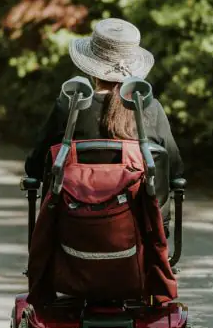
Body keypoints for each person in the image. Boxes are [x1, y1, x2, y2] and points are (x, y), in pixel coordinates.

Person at [23, 18, 184, 210]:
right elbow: (175, 171)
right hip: (139, 224)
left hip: (72, 222)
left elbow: (35, 167)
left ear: (92, 69)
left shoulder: (68, 106)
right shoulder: (150, 109)